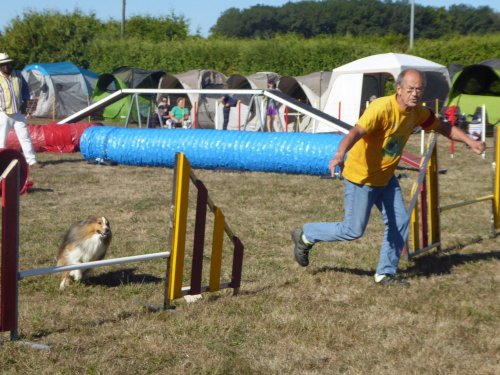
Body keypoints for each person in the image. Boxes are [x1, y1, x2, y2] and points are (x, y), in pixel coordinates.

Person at [291, 69, 485, 285]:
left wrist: (470, 141)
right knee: (352, 230)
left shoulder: (418, 113)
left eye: (419, 89)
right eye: (410, 89)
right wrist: (339, 153)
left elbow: (443, 127)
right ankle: (306, 234)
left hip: (386, 177)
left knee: (399, 222)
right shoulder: (381, 108)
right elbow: (355, 132)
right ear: (399, 89)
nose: (415, 94)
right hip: (361, 177)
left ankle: (385, 273)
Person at [0, 52, 42, 168]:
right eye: (3, 65)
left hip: (18, 112)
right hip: (3, 113)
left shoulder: (18, 75)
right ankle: (1, 162)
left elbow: (25, 90)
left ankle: (32, 161)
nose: (6, 67)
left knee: (25, 136)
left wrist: (26, 104)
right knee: (1, 139)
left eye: (7, 64)